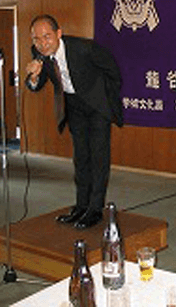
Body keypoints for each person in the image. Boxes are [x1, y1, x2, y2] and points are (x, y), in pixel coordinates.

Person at [25, 14, 123, 229]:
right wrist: (33, 77)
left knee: (98, 157)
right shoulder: (38, 53)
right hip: (73, 105)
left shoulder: (84, 48)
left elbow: (112, 70)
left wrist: (105, 98)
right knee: (81, 157)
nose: (42, 43)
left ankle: (95, 209)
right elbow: (36, 84)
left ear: (58, 33)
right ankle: (81, 206)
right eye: (36, 39)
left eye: (47, 37)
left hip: (96, 106)